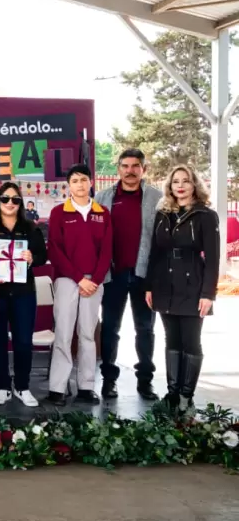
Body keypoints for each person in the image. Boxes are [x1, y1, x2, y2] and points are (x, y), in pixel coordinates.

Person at [145, 164, 219, 411]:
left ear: (194, 184)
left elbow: (213, 258)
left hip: (192, 285)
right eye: (176, 181)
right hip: (164, 284)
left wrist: (208, 294)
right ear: (170, 186)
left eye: (185, 180)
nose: (180, 185)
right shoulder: (163, 214)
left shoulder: (206, 215)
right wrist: (149, 286)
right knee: (172, 340)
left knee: (191, 341)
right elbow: (154, 253)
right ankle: (172, 394)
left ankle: (187, 397)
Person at [94, 148, 163, 401]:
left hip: (145, 276)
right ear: (118, 169)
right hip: (114, 275)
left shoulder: (157, 198)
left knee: (145, 329)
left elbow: (162, 239)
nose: (130, 171)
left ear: (144, 169)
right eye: (125, 166)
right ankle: (109, 380)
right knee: (110, 328)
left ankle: (145, 381)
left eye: (135, 166)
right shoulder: (102, 197)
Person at [46, 164, 113, 406]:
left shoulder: (102, 213)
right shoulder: (59, 212)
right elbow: (55, 250)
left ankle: (86, 387)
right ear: (69, 185)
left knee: (87, 335)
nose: (80, 184)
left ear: (91, 182)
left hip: (94, 283)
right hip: (67, 281)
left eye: (84, 179)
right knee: (63, 334)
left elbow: (107, 250)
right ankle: (57, 388)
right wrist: (78, 278)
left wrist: (94, 279)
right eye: (75, 181)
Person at [0, 182, 46, 407]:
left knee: (23, 341)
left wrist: (32, 258)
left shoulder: (30, 227)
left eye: (15, 199)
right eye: (5, 198)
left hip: (23, 292)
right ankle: (3, 387)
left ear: (21, 203)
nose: (10, 203)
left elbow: (42, 256)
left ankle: (22, 386)